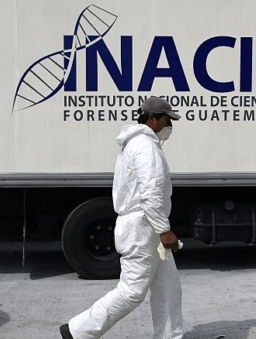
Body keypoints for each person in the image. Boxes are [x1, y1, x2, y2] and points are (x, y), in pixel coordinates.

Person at [61, 96, 184, 339]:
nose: (170, 125)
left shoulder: (140, 144)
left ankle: (171, 337)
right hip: (143, 228)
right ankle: (77, 331)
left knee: (169, 288)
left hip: (145, 226)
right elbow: (150, 192)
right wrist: (164, 229)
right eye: (167, 119)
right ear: (152, 118)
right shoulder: (145, 146)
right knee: (132, 292)